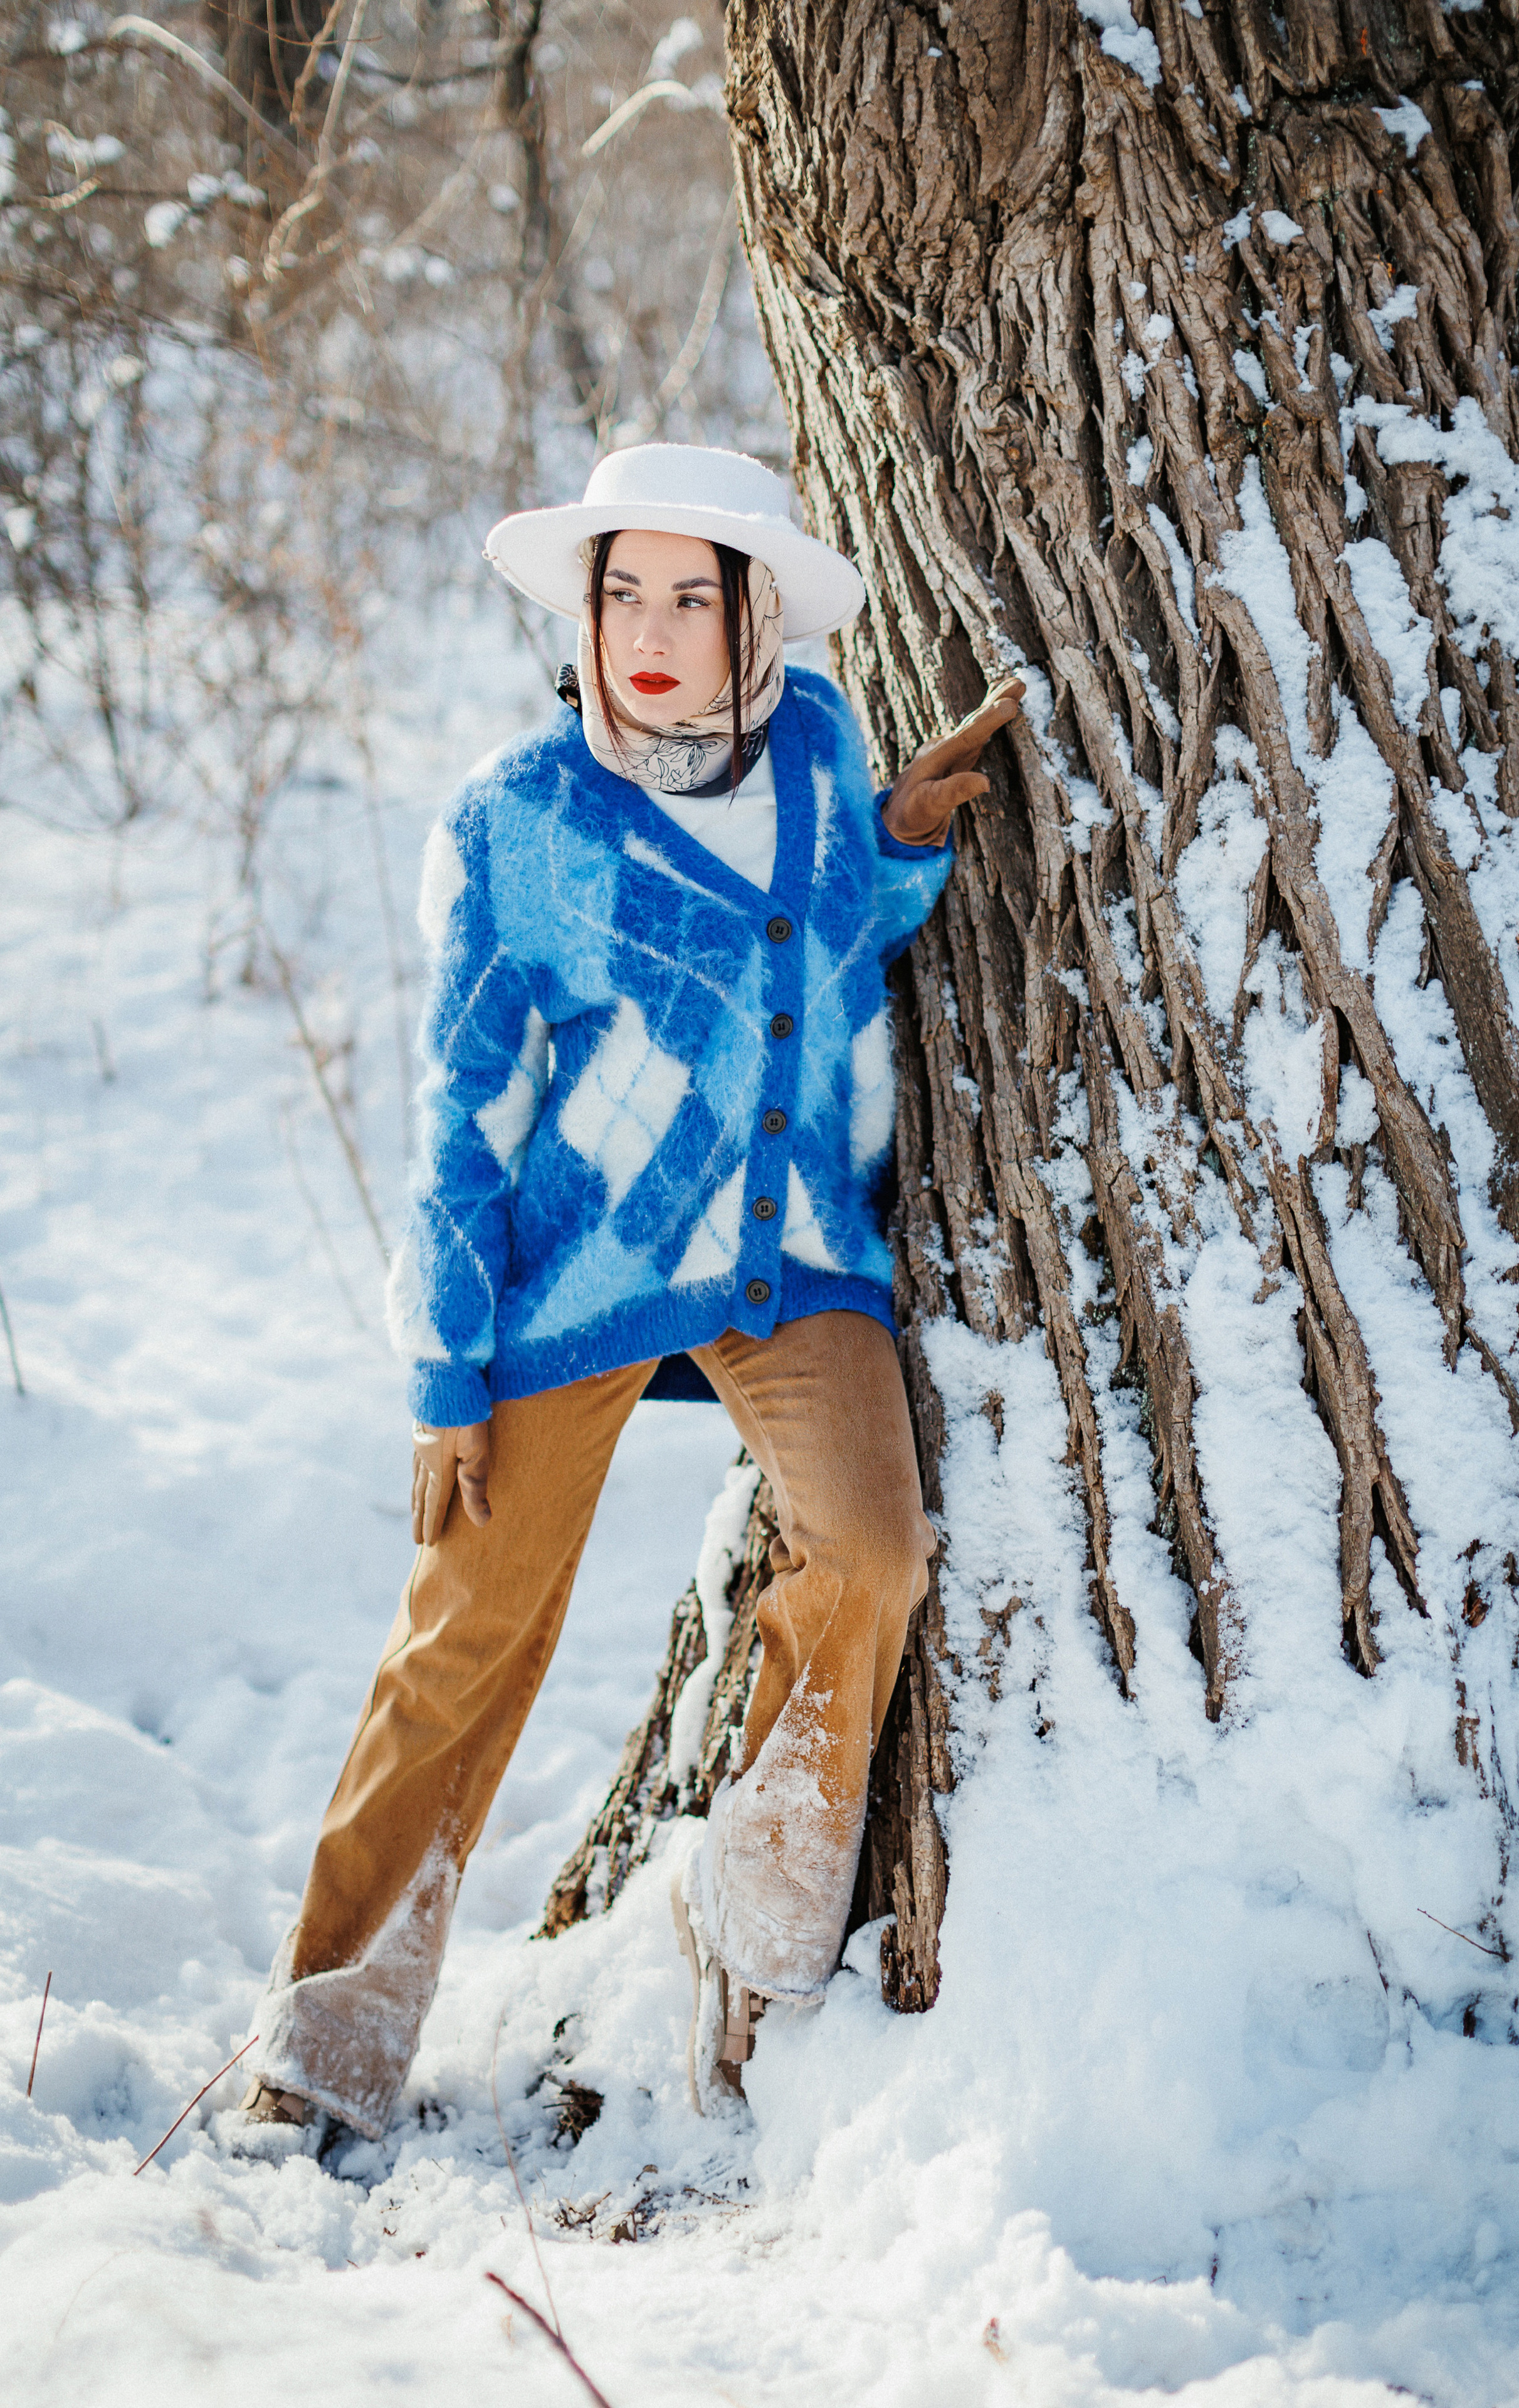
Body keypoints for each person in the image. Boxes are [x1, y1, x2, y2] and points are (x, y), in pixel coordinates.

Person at [240, 443, 1022, 2135]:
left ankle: (751, 1942)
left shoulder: (815, 752)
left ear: (759, 620)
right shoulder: (512, 820)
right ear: (579, 616)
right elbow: (463, 1119)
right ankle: (326, 2053)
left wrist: (898, 844)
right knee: (465, 1632)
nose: (652, 632)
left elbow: (821, 935)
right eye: (621, 594)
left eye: (692, 595)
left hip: (790, 1250)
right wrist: (447, 1366)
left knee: (878, 1552)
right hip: (567, 1276)